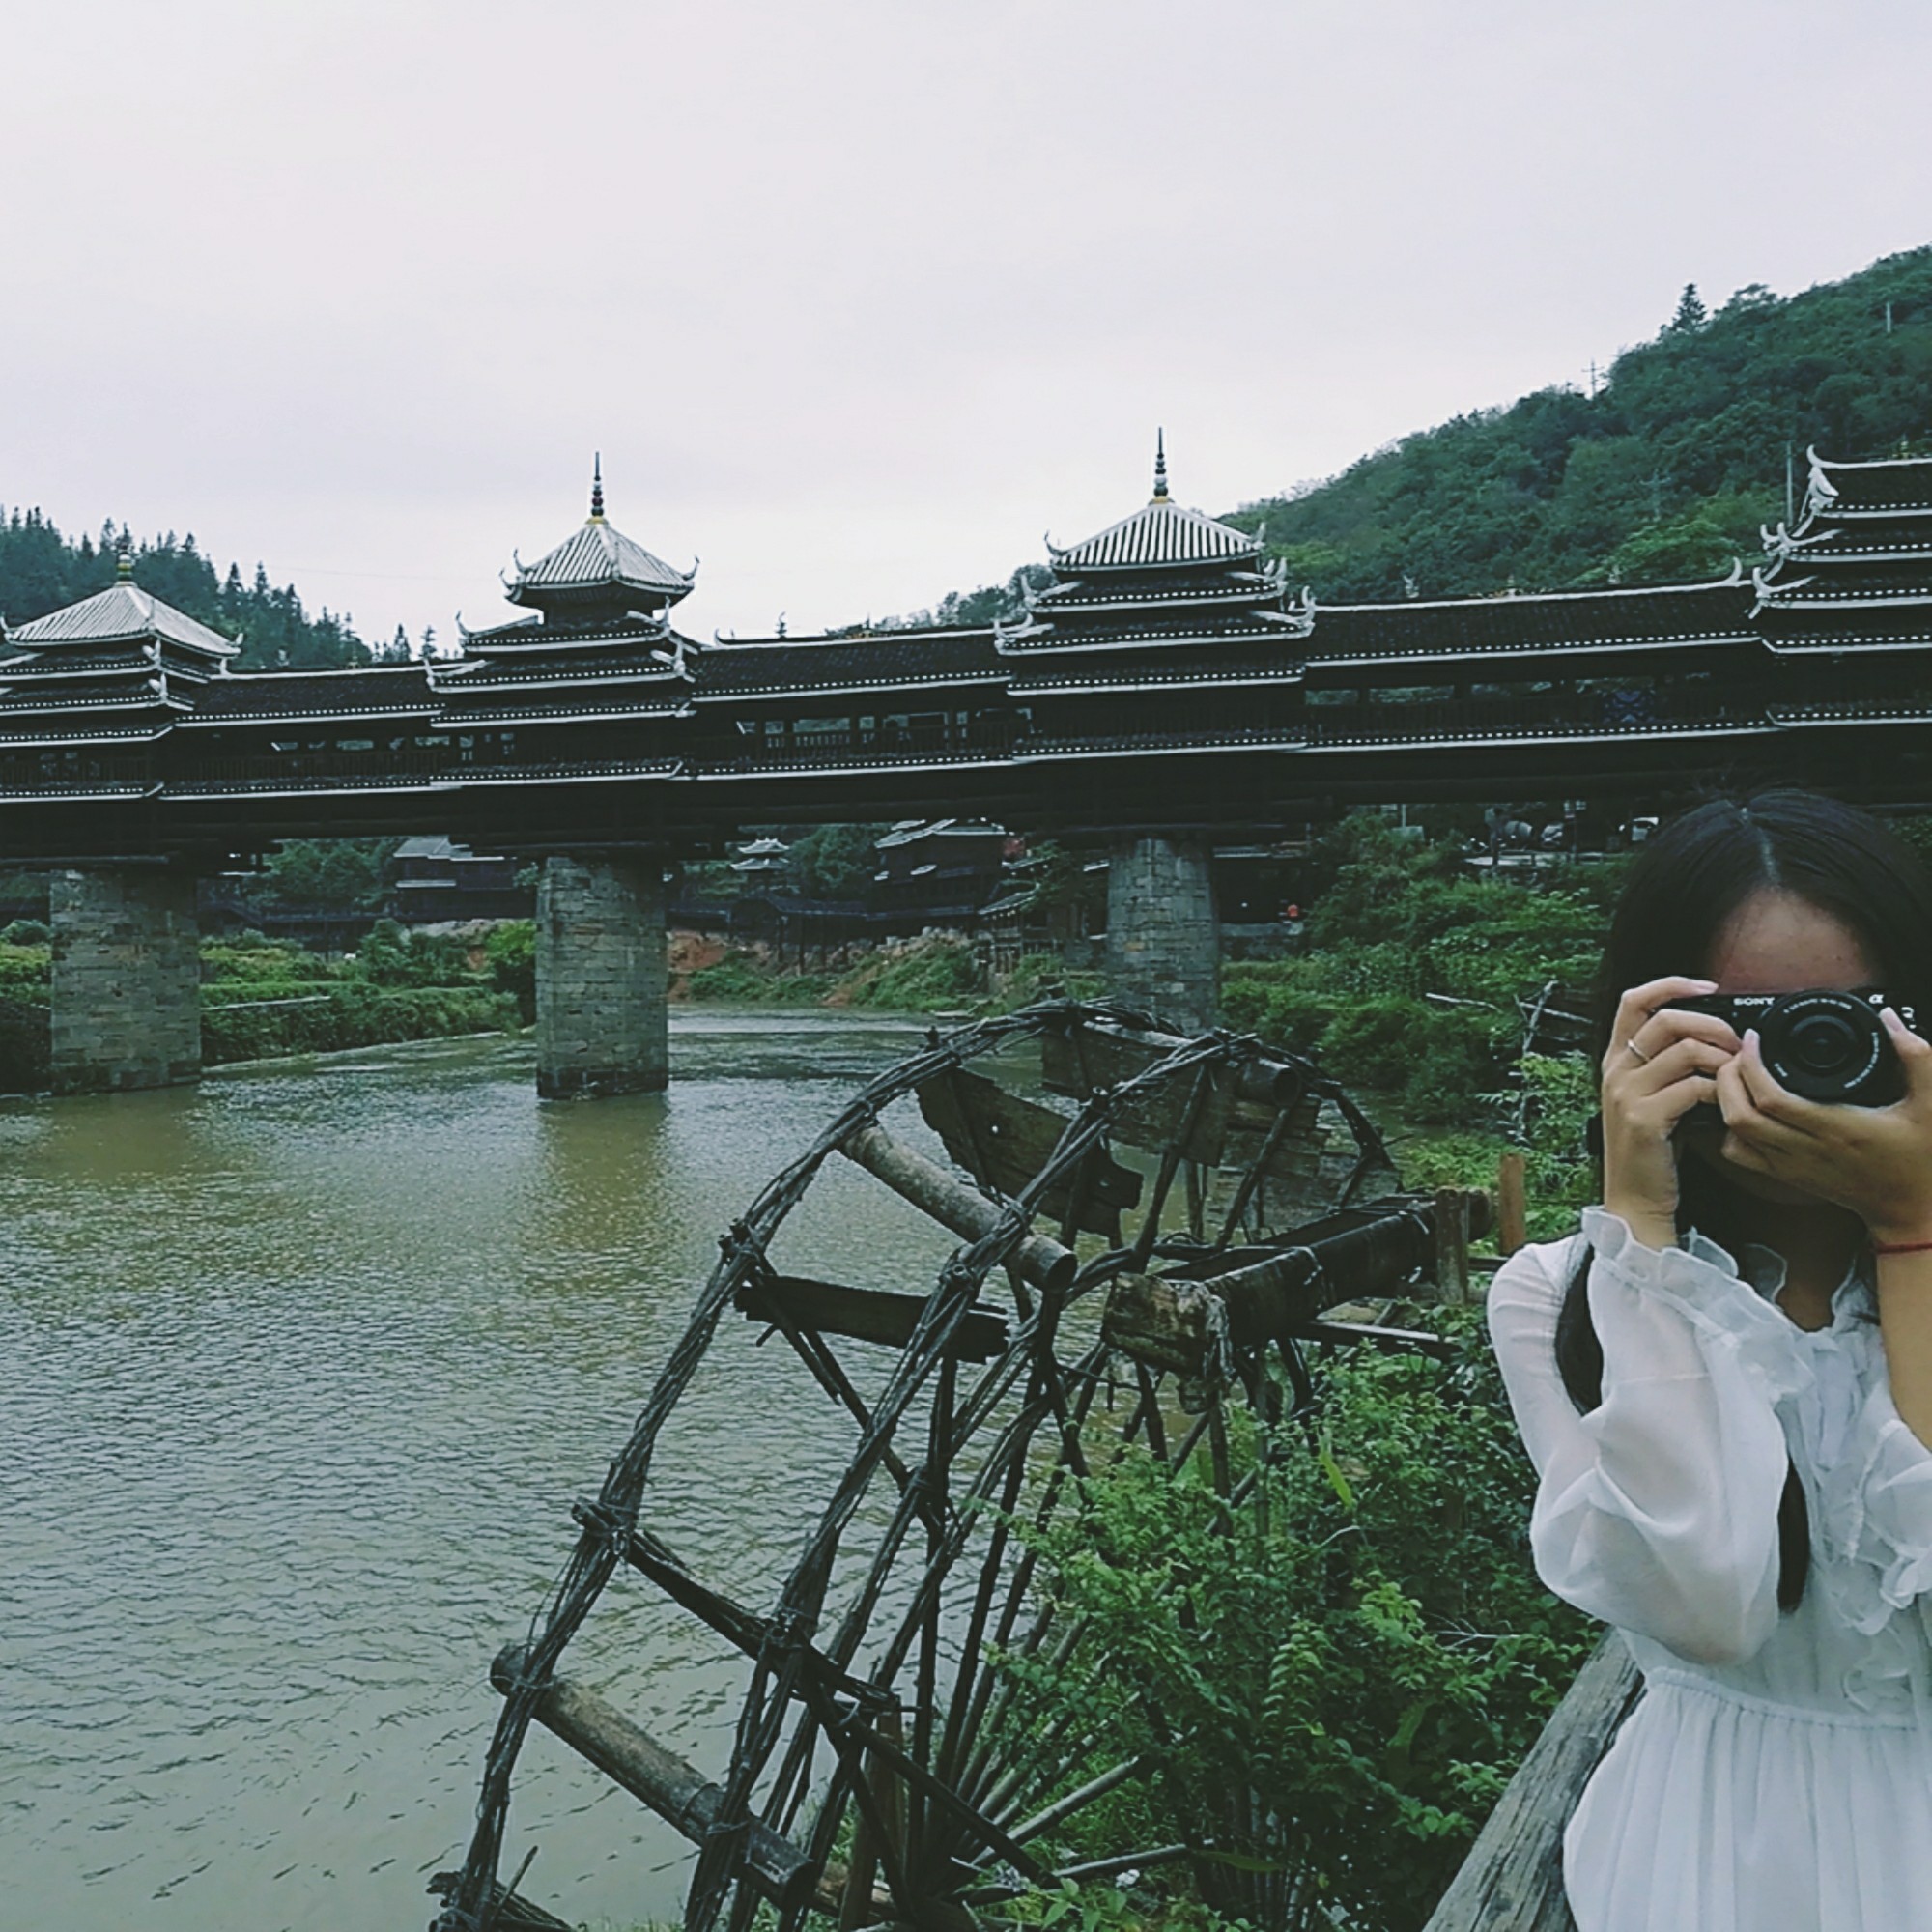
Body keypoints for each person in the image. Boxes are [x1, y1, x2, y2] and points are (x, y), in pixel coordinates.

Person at [1488, 791, 1932, 1932]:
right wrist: (1636, 1218)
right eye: (1743, 1025)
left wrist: (1911, 1227)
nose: (1787, 1068)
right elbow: (1705, 1604)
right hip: (1698, 1863)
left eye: (1845, 1019)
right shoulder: (1558, 1296)